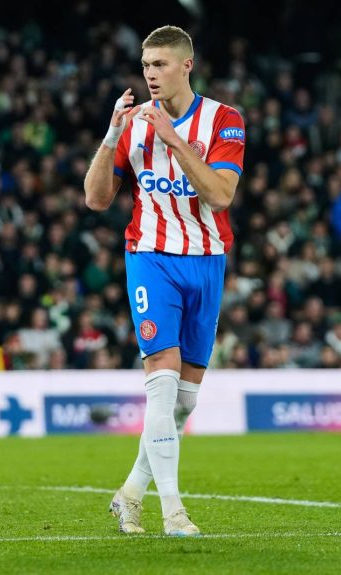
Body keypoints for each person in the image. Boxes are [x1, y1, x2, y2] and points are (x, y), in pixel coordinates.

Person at [84, 25, 245, 536]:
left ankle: (130, 493)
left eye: (160, 64)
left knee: (185, 402)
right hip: (150, 257)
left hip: (207, 260)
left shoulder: (224, 120)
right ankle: (173, 511)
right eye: (146, 65)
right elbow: (96, 199)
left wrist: (173, 139)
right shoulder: (134, 124)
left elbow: (220, 195)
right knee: (161, 381)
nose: (150, 74)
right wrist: (112, 135)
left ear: (186, 65)